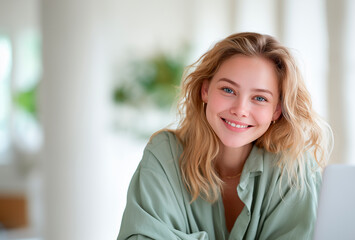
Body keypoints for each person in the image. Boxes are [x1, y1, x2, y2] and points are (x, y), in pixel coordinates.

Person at [117, 32, 333, 240]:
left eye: (259, 98)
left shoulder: (294, 168)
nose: (240, 110)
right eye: (228, 90)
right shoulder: (164, 154)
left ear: (276, 110)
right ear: (205, 91)